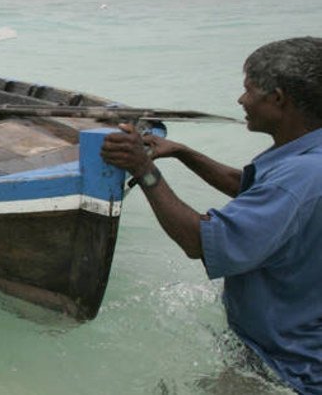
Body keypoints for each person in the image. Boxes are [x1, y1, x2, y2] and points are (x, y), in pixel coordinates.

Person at [101, 36, 322, 393]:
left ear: (278, 99)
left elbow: (198, 240)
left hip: (287, 368)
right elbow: (252, 191)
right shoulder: (308, 155)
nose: (241, 100)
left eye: (249, 90)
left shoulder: (298, 180)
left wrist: (143, 170)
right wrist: (185, 153)